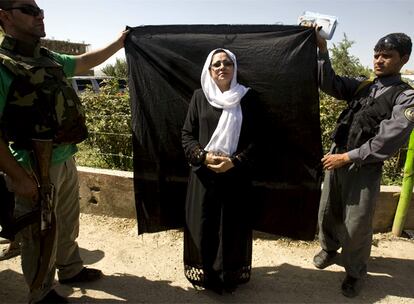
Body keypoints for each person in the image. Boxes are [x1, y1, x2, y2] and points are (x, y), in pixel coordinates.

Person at [0, 0, 128, 303]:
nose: (39, 15)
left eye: (40, 9)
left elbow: (84, 61)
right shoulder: (2, 64)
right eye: (29, 10)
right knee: (38, 233)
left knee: (67, 220)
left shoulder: (46, 57)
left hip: (64, 155)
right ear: (4, 16)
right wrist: (18, 176)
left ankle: (70, 268)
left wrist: (120, 42)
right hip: (31, 165)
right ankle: (41, 292)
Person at [312, 29, 414, 298]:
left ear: (403, 59)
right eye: (376, 55)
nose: (379, 60)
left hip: (363, 167)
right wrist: (322, 50)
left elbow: (387, 140)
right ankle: (329, 248)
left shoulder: (405, 97)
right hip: (337, 158)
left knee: (356, 225)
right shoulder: (363, 85)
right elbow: (329, 82)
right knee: (328, 209)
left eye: (387, 56)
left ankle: (355, 272)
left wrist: (347, 157)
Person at [181, 48, 260, 294]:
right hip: (204, 177)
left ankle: (229, 276)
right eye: (216, 64)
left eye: (227, 63)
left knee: (231, 227)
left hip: (235, 176)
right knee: (204, 225)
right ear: (209, 69)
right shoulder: (198, 97)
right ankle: (208, 276)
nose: (222, 67)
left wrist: (234, 161)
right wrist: (203, 157)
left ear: (235, 68)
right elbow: (187, 135)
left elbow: (258, 140)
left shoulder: (247, 98)